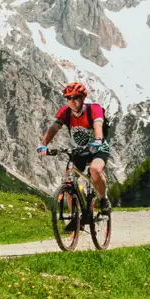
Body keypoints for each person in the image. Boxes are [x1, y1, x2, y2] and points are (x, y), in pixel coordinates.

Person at [37, 81, 112, 215]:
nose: (72, 101)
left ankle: (103, 199)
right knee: (69, 180)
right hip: (79, 151)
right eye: (68, 98)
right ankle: (75, 218)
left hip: (98, 149)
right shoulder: (65, 113)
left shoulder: (93, 109)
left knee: (95, 170)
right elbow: (53, 128)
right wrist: (43, 144)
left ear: (83, 98)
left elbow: (98, 126)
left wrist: (98, 140)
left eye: (76, 97)